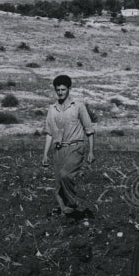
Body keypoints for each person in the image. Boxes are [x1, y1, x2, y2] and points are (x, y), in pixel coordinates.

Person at [42, 74, 95, 218]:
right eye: (57, 90)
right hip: (59, 149)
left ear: (69, 89)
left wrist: (91, 151)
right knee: (58, 185)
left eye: (63, 89)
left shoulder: (78, 106)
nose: (60, 92)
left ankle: (73, 202)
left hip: (76, 147)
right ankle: (66, 216)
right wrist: (45, 154)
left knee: (66, 175)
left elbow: (89, 130)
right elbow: (49, 133)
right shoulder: (52, 109)